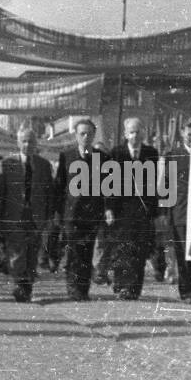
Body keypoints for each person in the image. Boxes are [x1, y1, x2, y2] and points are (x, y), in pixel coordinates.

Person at [0, 121, 55, 302]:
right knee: (17, 251)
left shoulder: (43, 165)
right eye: (24, 141)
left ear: (36, 144)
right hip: (15, 215)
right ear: (18, 143)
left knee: (32, 251)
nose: (27, 145)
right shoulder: (8, 164)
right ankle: (19, 284)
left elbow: (49, 192)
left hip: (35, 215)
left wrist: (50, 215)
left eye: (30, 141)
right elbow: (1, 192)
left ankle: (27, 286)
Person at [106, 117, 160, 300]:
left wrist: (155, 211)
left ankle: (134, 288)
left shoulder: (151, 153)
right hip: (122, 210)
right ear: (125, 134)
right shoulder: (117, 153)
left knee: (140, 249)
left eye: (138, 132)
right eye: (131, 132)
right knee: (123, 248)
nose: (135, 136)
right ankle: (122, 285)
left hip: (143, 210)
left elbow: (154, 184)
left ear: (143, 133)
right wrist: (109, 209)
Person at [55, 119, 107, 302]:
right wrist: (58, 213)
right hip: (72, 215)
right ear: (76, 135)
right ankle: (73, 289)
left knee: (87, 252)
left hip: (92, 215)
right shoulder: (67, 156)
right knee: (74, 253)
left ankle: (83, 290)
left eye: (89, 133)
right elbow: (59, 186)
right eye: (82, 133)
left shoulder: (102, 158)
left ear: (94, 135)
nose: (86, 137)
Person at [160, 122, 191, 303]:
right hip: (180, 211)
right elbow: (166, 186)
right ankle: (187, 292)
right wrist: (166, 212)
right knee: (183, 253)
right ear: (183, 133)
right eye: (188, 133)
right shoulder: (174, 155)